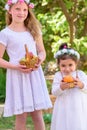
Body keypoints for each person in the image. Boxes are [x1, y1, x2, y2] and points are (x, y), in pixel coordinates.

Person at [0, 0, 52, 130]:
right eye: (17, 9)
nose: (21, 13)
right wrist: (16, 67)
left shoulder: (33, 30)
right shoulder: (5, 33)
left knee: (37, 114)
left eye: (24, 10)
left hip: (34, 75)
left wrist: (39, 59)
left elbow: (42, 51)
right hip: (17, 76)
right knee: (21, 116)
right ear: (9, 11)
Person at [50, 43, 87, 130]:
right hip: (63, 107)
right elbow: (54, 92)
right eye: (63, 65)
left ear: (76, 63)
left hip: (79, 107)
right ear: (58, 65)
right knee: (64, 124)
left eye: (70, 65)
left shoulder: (80, 74)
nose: (67, 69)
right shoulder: (58, 75)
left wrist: (81, 85)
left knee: (78, 124)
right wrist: (61, 87)